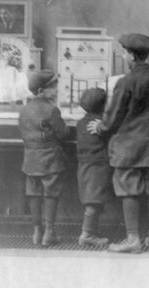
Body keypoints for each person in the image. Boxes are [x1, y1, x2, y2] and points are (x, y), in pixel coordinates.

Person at [87, 33, 149, 253]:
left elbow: (112, 118)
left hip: (127, 147)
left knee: (128, 190)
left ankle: (133, 239)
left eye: (125, 52)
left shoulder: (125, 82)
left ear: (132, 56)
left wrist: (100, 127)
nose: (123, 55)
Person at [18, 70, 69, 246]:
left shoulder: (24, 110)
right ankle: (50, 232)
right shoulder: (52, 110)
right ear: (41, 91)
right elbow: (63, 134)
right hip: (50, 160)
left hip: (30, 159)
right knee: (51, 195)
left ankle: (36, 232)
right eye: (53, 87)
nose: (56, 90)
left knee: (33, 194)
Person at [76, 88, 113, 247]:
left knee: (92, 200)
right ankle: (87, 235)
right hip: (97, 167)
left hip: (84, 166)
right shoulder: (100, 124)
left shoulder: (81, 122)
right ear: (103, 105)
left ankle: (91, 232)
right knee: (94, 201)